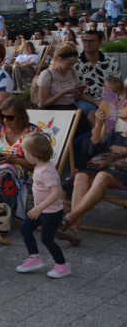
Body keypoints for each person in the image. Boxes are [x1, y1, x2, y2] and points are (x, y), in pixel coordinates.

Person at [59, 102, 127, 245]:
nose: (121, 106)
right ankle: (74, 230)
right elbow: (94, 149)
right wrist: (98, 124)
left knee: (102, 176)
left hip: (121, 172)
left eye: (125, 105)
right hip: (107, 169)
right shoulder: (115, 135)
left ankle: (70, 217)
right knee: (81, 176)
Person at [16, 133, 70, 278]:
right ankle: (34, 257)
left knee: (47, 239)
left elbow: (55, 191)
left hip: (51, 212)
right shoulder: (42, 166)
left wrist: (39, 208)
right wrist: (62, 200)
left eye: (24, 151)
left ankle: (62, 265)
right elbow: (56, 184)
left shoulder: (45, 170)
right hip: (41, 210)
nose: (23, 154)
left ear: (33, 154)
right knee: (25, 228)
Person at [0, 98, 36, 217]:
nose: (4, 120)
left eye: (10, 117)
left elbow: (37, 163)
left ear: (21, 116)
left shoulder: (32, 132)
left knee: (5, 170)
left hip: (25, 168)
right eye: (2, 116)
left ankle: (5, 216)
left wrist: (14, 160)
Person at [34, 44, 84, 110]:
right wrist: (63, 93)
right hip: (52, 109)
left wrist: (80, 91)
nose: (72, 66)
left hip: (70, 107)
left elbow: (76, 99)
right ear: (60, 60)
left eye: (73, 64)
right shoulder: (47, 74)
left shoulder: (73, 72)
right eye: (69, 64)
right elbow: (43, 104)